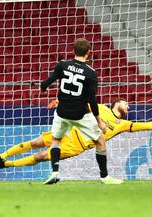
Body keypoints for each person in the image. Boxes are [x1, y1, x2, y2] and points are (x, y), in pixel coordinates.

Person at [0, 99, 152, 173]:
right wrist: (61, 100)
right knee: (35, 142)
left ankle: (5, 165)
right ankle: (1, 156)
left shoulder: (122, 125)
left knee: (40, 157)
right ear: (116, 103)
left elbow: (145, 126)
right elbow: (78, 102)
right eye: (126, 103)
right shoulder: (102, 108)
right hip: (70, 130)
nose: (129, 106)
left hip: (76, 146)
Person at [39, 37, 112, 184]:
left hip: (62, 113)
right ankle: (104, 176)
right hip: (80, 114)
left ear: (73, 50)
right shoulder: (91, 73)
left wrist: (45, 90)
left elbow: (44, 84)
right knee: (100, 140)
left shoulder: (62, 65)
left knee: (56, 140)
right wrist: (99, 121)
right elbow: (92, 100)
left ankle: (55, 172)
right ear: (88, 53)